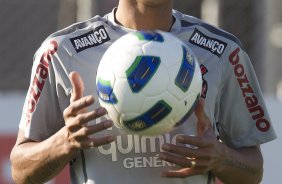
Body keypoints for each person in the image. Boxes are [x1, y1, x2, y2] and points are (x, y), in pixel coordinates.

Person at [10, 0, 276, 184]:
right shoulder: (62, 52)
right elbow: (21, 171)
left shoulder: (222, 52)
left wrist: (220, 157)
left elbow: (253, 172)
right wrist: (65, 140)